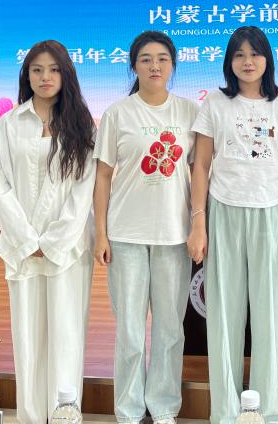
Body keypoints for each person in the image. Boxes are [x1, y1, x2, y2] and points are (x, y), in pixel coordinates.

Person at [187, 25, 278, 424]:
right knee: (223, 318)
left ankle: (267, 412)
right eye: (239, 54)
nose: (248, 61)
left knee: (271, 320)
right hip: (223, 211)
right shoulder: (215, 103)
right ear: (229, 62)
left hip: (271, 213)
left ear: (267, 59)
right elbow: (200, 165)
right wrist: (198, 223)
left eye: (255, 54)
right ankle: (225, 413)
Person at [93, 30, 200, 424]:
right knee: (130, 331)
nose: (154, 66)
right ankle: (128, 410)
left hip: (175, 235)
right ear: (133, 66)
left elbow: (199, 173)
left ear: (173, 65)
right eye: (146, 59)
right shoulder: (118, 114)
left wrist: (198, 226)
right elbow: (103, 176)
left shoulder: (190, 112)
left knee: (170, 330)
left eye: (162, 59)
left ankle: (165, 407)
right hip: (126, 234)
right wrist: (100, 233)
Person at [0, 40, 97, 424]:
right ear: (27, 75)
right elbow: (0, 184)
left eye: (53, 69)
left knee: (66, 333)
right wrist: (26, 240)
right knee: (27, 335)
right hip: (22, 247)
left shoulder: (83, 126)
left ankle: (64, 412)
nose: (45, 77)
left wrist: (53, 241)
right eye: (37, 70)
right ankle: (32, 416)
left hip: (67, 248)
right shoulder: (10, 124)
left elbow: (84, 190)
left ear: (66, 74)